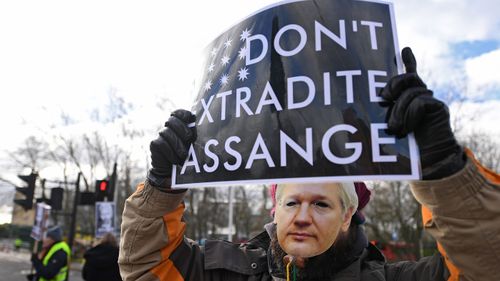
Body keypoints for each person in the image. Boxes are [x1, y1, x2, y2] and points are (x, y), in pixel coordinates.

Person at [118, 48, 500, 280]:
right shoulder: (220, 272)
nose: (302, 216)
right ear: (275, 208)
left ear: (348, 214)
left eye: (321, 203)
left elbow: (487, 267)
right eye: (291, 202)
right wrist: (161, 188)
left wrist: (445, 173)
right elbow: (144, 266)